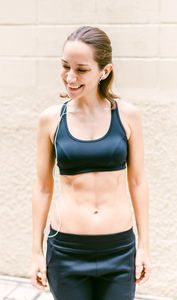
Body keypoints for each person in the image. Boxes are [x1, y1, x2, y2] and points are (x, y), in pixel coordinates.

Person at [29, 25, 152, 300]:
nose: (70, 77)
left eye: (81, 69)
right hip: (66, 251)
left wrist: (144, 247)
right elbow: (42, 187)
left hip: (119, 251)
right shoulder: (50, 120)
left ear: (104, 71)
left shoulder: (129, 116)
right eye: (65, 66)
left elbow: (138, 182)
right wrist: (36, 252)